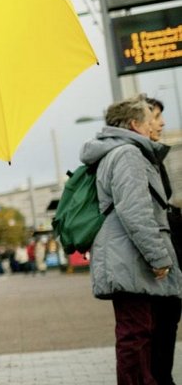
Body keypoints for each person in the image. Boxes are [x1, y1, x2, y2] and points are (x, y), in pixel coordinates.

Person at [80, 95, 180, 384]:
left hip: (126, 257)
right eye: (150, 121)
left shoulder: (119, 152)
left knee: (139, 333)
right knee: (135, 336)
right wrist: (159, 258)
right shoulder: (128, 154)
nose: (155, 126)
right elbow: (135, 210)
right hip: (130, 260)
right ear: (135, 124)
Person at [148, 96, 182, 385]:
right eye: (157, 116)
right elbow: (141, 213)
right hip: (158, 257)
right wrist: (160, 259)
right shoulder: (137, 157)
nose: (162, 123)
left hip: (166, 251)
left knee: (168, 319)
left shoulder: (153, 155)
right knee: (162, 321)